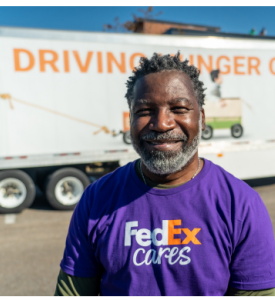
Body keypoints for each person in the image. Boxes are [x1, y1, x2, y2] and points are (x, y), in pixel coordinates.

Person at [54, 53, 275, 296]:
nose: (161, 124)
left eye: (179, 108)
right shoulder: (97, 199)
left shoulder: (241, 204)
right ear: (131, 120)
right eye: (145, 110)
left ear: (201, 119)